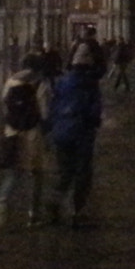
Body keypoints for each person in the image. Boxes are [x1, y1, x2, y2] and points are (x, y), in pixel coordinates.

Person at [45, 51, 105, 226]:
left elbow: (53, 106)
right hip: (81, 133)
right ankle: (76, 211)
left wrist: (53, 126)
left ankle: (54, 202)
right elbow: (94, 111)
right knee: (82, 173)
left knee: (64, 171)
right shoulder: (90, 84)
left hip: (61, 132)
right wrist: (94, 122)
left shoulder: (62, 82)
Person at [0, 55, 48, 228]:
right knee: (36, 175)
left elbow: (5, 109)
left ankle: (0, 211)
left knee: (13, 174)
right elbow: (44, 113)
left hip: (12, 133)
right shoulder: (39, 85)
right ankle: (33, 215)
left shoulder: (9, 83)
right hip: (32, 135)